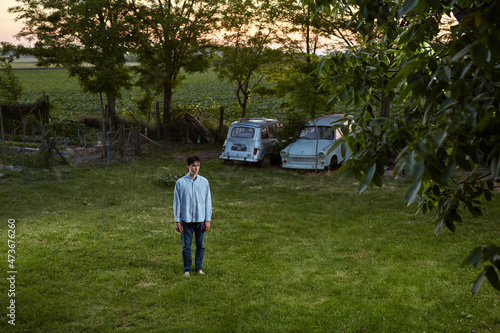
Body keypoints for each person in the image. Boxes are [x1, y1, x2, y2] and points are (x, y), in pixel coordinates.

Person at [173, 156, 212, 277]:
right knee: (186, 246)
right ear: (188, 166)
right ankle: (187, 269)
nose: (196, 168)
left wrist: (207, 219)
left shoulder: (204, 182)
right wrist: (177, 220)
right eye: (193, 165)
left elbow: (207, 201)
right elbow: (177, 203)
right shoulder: (180, 183)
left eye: (198, 165)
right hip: (186, 220)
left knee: (200, 245)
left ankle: (199, 268)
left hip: (200, 220)